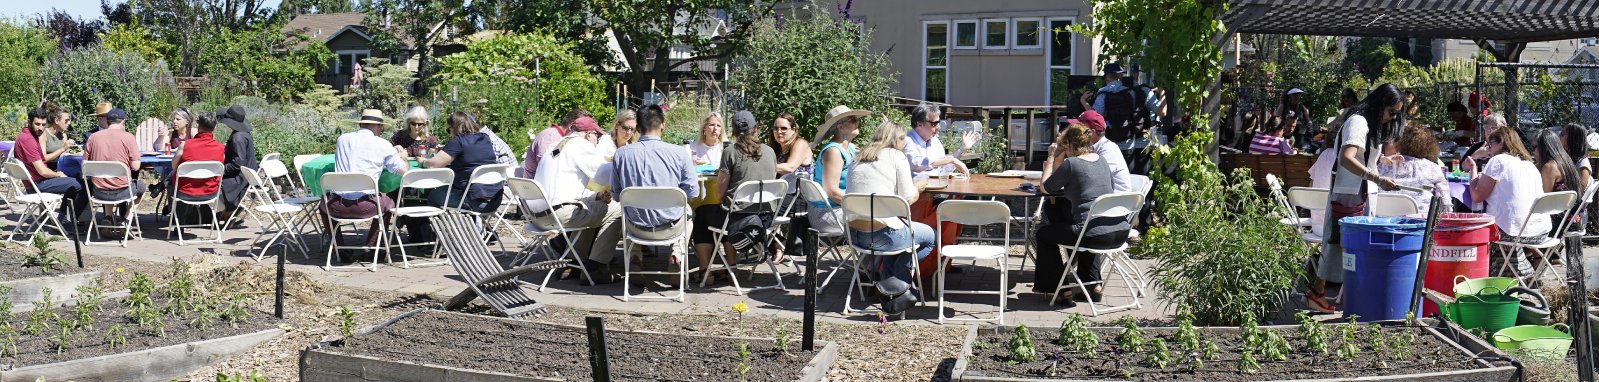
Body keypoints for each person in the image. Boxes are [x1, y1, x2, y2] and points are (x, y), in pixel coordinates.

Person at [1308, 83, 1407, 313]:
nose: (1392, 118)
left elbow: (1363, 155)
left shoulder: (1370, 123)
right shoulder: (1358, 121)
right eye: (1391, 112)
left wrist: (1383, 161)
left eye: (1396, 114)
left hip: (1360, 191)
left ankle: (1331, 292)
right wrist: (1377, 177)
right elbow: (1346, 157)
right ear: (1380, 104)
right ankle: (1319, 291)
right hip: (1349, 193)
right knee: (1339, 244)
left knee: (1352, 246)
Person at [1033, 123, 1130, 305]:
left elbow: (1046, 187)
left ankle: (1062, 290)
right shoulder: (1101, 160)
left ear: (1069, 144)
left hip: (1093, 235)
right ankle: (1093, 286)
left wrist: (1052, 157)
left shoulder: (1072, 164)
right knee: (1082, 224)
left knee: (1045, 234)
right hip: (1118, 231)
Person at [845, 120, 935, 315]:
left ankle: (888, 281)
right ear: (897, 139)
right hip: (884, 234)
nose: (905, 144)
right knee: (929, 237)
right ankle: (895, 285)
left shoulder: (858, 156)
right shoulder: (896, 156)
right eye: (904, 139)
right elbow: (908, 198)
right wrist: (918, 187)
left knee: (903, 243)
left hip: (854, 234)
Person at [524, 111, 623, 280]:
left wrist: (595, 196)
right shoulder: (580, 145)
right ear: (588, 134)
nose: (597, 141)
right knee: (620, 209)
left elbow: (565, 184)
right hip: (559, 214)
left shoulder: (555, 145)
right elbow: (602, 174)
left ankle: (572, 263)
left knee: (596, 208)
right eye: (597, 136)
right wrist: (621, 163)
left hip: (537, 215)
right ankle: (595, 268)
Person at [689, 111, 776, 284]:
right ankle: (731, 267)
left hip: (738, 221)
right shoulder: (770, 151)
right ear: (756, 129)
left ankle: (706, 271)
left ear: (734, 132)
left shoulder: (730, 152)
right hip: (766, 219)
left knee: (704, 212)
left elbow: (720, 194)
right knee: (722, 213)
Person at [611, 104, 698, 271]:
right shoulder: (679, 153)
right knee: (687, 209)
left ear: (637, 128)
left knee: (628, 209)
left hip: (635, 228)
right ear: (662, 126)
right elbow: (693, 192)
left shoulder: (621, 154)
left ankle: (636, 253)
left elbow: (616, 195)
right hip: (670, 227)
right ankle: (676, 254)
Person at [1464, 125, 1547, 277]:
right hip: (1541, 231)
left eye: (1490, 145)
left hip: (1514, 232)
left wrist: (1473, 169)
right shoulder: (1529, 164)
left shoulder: (1499, 160)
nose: (1488, 149)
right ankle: (1520, 271)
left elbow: (1476, 196)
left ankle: (1498, 274)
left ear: (1501, 142)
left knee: (1478, 228)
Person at [324, 109, 410, 251]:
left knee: (323, 203)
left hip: (337, 206)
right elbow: (403, 171)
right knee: (390, 203)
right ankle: (371, 246)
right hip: (367, 206)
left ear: (361, 125)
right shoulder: (382, 144)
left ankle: (338, 246)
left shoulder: (342, 140)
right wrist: (403, 157)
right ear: (379, 127)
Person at [800, 106, 869, 246]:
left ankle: (867, 265)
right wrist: (862, 205)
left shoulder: (849, 147)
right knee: (879, 220)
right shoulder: (834, 152)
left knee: (882, 216)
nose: (857, 122)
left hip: (840, 208)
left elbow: (873, 154)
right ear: (840, 127)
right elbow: (831, 191)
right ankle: (867, 265)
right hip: (826, 213)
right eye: (853, 119)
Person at [15, 106, 87, 223]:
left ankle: (64, 219)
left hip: (35, 182)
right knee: (84, 185)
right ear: (29, 122)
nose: (41, 128)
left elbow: (41, 161)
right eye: (37, 124)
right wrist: (58, 175)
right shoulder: (28, 140)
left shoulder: (27, 136)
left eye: (43, 125)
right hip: (37, 185)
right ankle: (65, 221)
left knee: (76, 181)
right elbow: (42, 171)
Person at [1083, 63, 1160, 173]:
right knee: (1143, 180)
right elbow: (1159, 110)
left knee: (1123, 179)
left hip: (1118, 142)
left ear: (1108, 77)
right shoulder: (1142, 90)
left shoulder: (1105, 92)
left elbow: (1095, 117)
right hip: (1143, 142)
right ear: (1121, 76)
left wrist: (1084, 101)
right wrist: (1163, 93)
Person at [424, 112, 506, 213]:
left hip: (473, 201)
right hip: (495, 200)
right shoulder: (485, 138)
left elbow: (433, 165)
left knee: (433, 196)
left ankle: (438, 228)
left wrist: (423, 161)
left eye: (448, 130)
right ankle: (473, 225)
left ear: (454, 127)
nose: (449, 134)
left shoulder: (458, 141)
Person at [82, 107, 146, 222]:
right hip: (122, 191)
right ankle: (126, 220)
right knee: (141, 186)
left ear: (107, 121)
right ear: (123, 122)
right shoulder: (128, 137)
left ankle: (108, 217)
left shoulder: (93, 137)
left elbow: (84, 165)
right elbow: (136, 166)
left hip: (98, 192)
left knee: (107, 179)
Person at [1374, 125, 1448, 214]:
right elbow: (1446, 204)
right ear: (1429, 146)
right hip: (1421, 223)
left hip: (1383, 219)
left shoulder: (1383, 165)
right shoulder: (1433, 168)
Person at [904, 103, 977, 178]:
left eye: (938, 123)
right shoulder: (906, 140)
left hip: (936, 186)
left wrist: (962, 149)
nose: (939, 127)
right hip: (915, 188)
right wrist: (951, 160)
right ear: (919, 124)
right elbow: (916, 164)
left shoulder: (935, 141)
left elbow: (945, 168)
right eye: (934, 124)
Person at [169, 113, 225, 207]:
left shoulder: (185, 145)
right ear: (215, 128)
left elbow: (174, 166)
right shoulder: (220, 148)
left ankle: (175, 214)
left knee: (169, 180)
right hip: (210, 193)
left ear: (198, 127)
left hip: (185, 192)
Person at [1068, 111, 1131, 192]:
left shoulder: (1108, 149)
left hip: (1116, 200)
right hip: (1102, 197)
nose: (1075, 131)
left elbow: (1093, 178)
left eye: (1079, 128)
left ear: (1092, 133)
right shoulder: (1090, 147)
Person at [215, 105, 258, 224]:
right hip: (247, 173)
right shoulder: (243, 134)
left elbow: (237, 164)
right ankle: (227, 213)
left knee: (210, 182)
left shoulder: (238, 138)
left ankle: (226, 211)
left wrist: (220, 170)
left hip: (241, 177)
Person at [521, 109, 591, 178]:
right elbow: (547, 164)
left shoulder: (563, 138)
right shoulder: (550, 137)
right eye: (585, 130)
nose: (586, 134)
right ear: (572, 126)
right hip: (537, 185)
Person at [767, 112, 813, 177]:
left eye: (783, 128)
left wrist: (764, 166)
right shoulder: (776, 148)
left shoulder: (801, 143)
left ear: (793, 130)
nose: (779, 132)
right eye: (776, 128)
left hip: (800, 187)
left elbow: (790, 167)